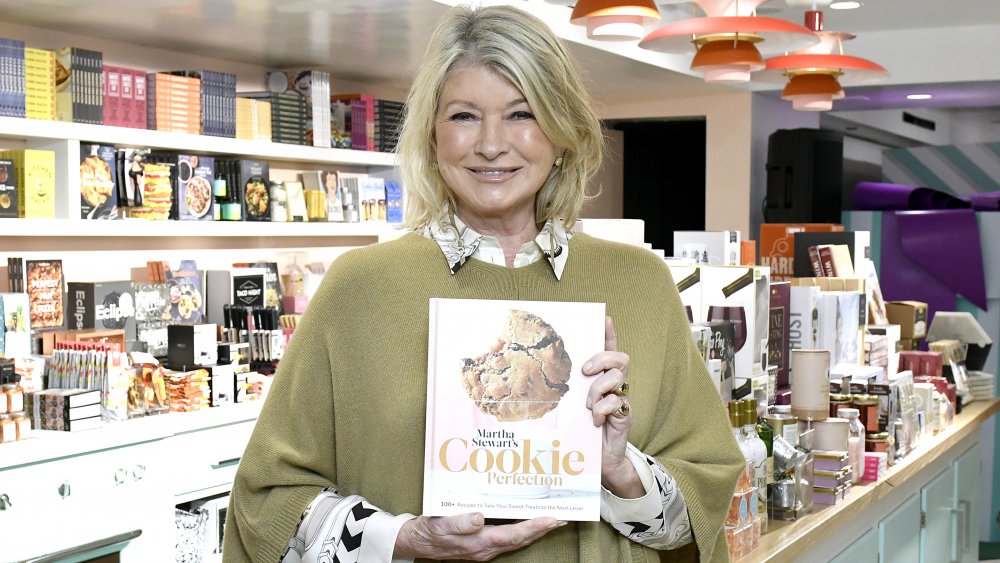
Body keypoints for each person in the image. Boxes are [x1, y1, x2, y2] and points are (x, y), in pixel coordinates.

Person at [223, 4, 743, 562]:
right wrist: (402, 539)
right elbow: (267, 502)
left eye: (522, 114)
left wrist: (621, 470)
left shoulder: (639, 283)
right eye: (465, 116)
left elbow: (702, 509)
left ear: (562, 131)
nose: (492, 144)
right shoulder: (360, 289)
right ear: (432, 135)